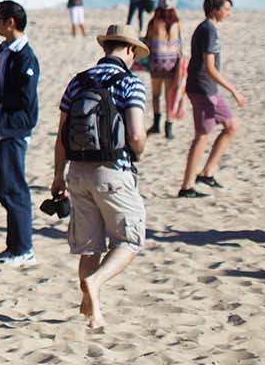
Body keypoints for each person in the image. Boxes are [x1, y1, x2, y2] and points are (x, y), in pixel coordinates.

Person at [49, 26, 148, 331]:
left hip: (77, 172)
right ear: (129, 50)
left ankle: (93, 314)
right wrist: (138, 153)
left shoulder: (78, 82)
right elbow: (135, 134)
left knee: (90, 247)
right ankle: (97, 281)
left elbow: (62, 135)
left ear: (107, 47)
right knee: (129, 239)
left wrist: (58, 176)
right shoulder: (131, 83)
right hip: (113, 171)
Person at [0, 0, 39, 264]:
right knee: (3, 188)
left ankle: (23, 248)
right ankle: (13, 245)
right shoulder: (4, 50)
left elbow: (23, 97)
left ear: (11, 22)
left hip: (14, 129)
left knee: (15, 188)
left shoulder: (25, 56)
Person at [179, 0, 245, 198]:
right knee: (202, 136)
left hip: (209, 89)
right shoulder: (208, 30)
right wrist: (233, 90)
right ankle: (186, 187)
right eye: (226, 9)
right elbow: (209, 67)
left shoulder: (208, 29)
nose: (229, 13)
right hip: (202, 89)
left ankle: (207, 172)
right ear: (215, 9)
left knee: (232, 125)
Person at [144, 0, 182, 138]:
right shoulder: (176, 24)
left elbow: (147, 40)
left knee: (156, 94)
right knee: (169, 96)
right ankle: (169, 127)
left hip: (156, 62)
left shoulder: (154, 23)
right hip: (172, 63)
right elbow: (179, 43)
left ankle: (156, 124)